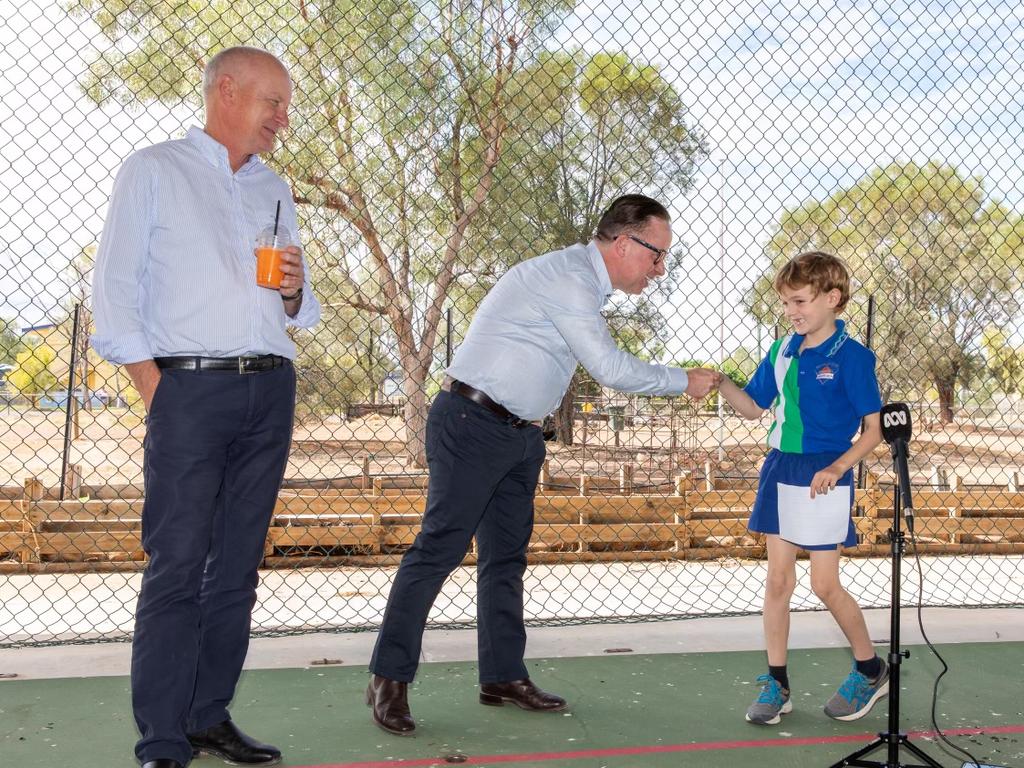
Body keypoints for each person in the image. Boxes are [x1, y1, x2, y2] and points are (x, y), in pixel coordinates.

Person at [365, 194, 720, 735]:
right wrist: (683, 380)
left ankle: (502, 675)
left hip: (519, 436)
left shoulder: (581, 284)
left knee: (505, 560)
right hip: (471, 422)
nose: (660, 269)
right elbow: (608, 367)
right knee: (438, 549)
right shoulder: (569, 279)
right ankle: (388, 679)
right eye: (656, 255)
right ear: (624, 243)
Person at [92, 46, 320, 768]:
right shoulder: (155, 170)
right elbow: (114, 294)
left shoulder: (272, 186)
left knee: (237, 568)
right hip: (187, 389)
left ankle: (207, 716)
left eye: (285, 106)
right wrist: (163, 393)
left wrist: (291, 287)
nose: (283, 119)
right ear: (226, 91)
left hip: (269, 387)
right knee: (179, 563)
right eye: (272, 103)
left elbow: (301, 310)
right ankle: (162, 737)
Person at [716, 251, 887, 726]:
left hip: (824, 474)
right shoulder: (780, 351)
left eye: (799, 301)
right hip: (781, 469)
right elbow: (754, 409)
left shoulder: (852, 357)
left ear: (832, 298)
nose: (791, 312)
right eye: (786, 304)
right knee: (777, 582)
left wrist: (839, 467)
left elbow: (873, 430)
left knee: (824, 584)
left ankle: (870, 669)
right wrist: (721, 382)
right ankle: (777, 683)